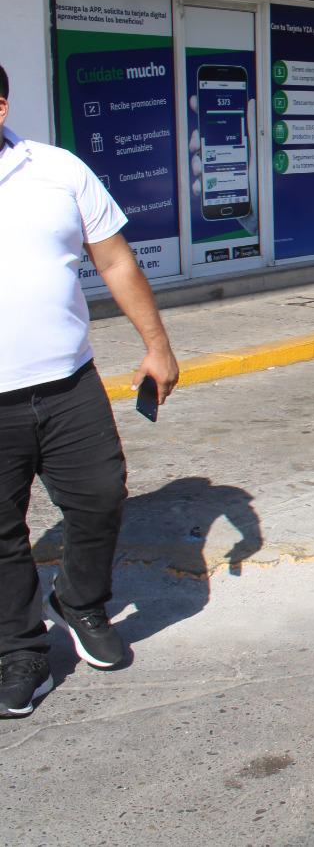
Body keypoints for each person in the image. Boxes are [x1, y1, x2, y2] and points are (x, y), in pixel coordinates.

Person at [1, 62, 181, 717]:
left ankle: (78, 602)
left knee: (101, 497)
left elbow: (114, 260)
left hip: (67, 382)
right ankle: (19, 649)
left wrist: (157, 348)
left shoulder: (57, 171)